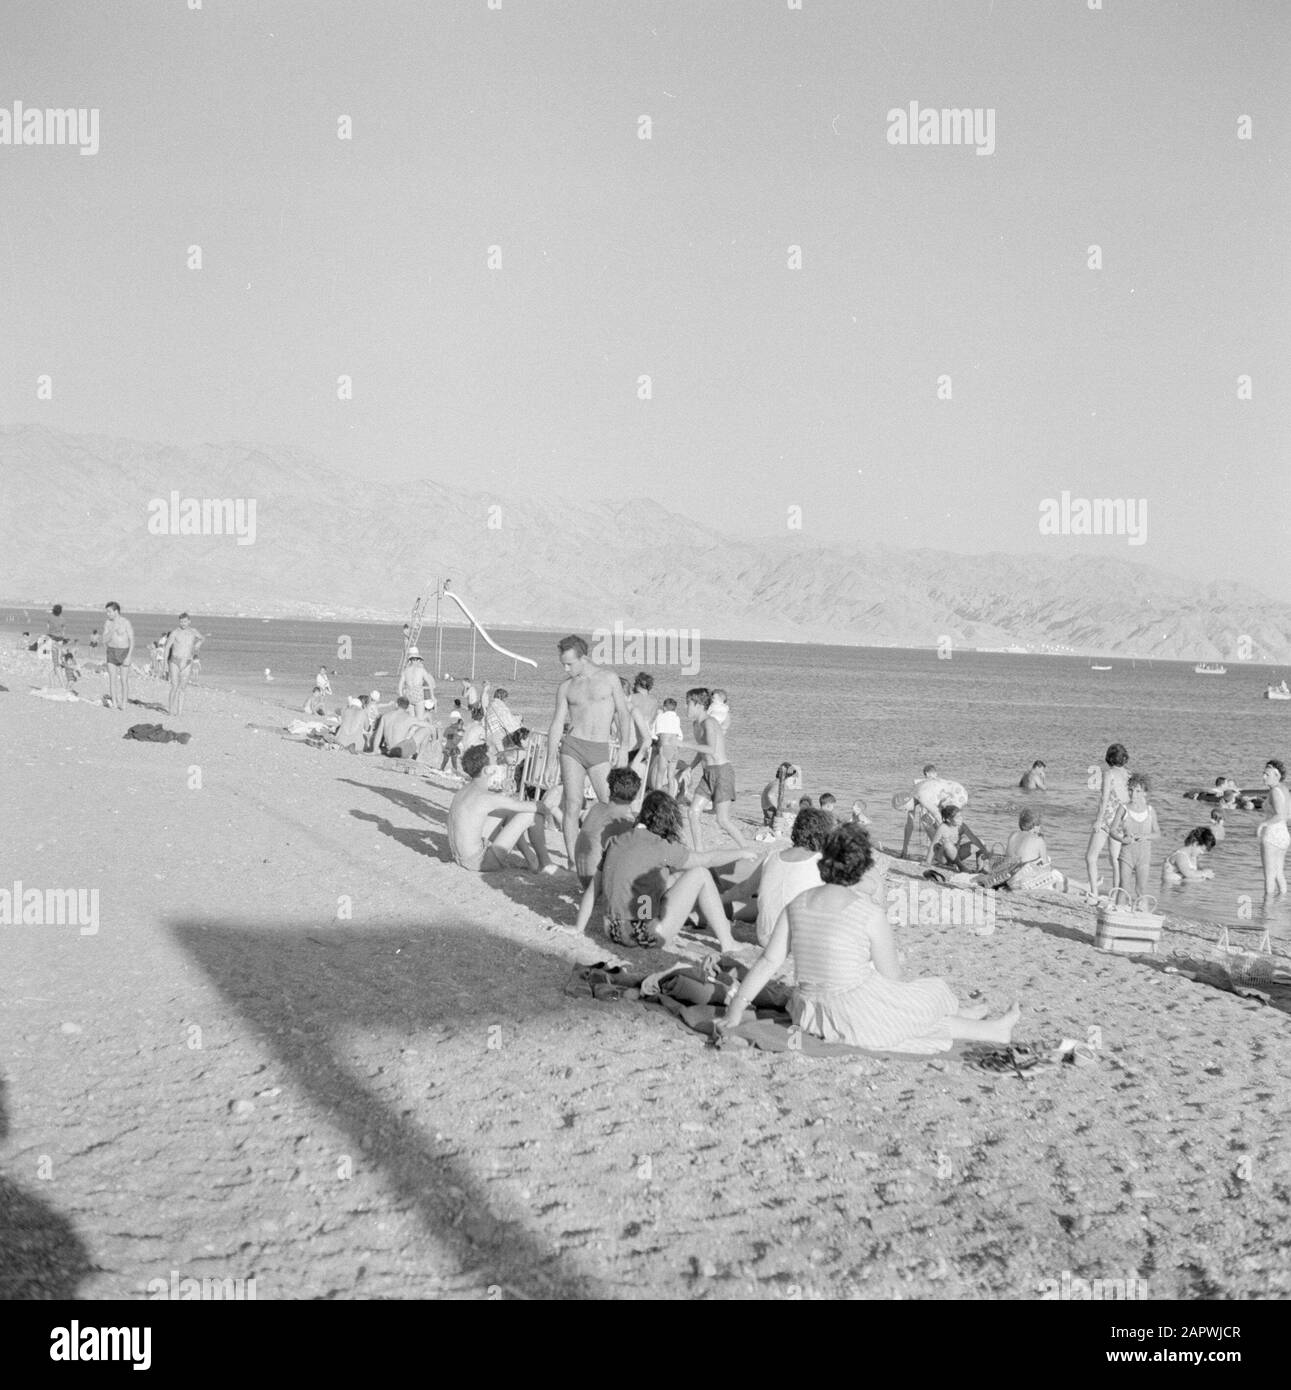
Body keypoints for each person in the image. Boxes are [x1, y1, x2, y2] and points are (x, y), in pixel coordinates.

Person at [718, 825, 1021, 1052]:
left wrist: (736, 1009)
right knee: (929, 993)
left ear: (823, 862)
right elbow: (893, 979)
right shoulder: (867, 912)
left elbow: (768, 962)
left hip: (810, 1012)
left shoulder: (797, 903)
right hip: (851, 1014)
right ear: (862, 868)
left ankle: (976, 1019)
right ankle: (991, 1030)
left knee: (909, 1006)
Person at [596, 790, 755, 951]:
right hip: (641, 937)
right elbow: (708, 860)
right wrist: (742, 852)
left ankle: (703, 913)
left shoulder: (619, 840)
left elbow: (594, 889)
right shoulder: (660, 846)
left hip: (611, 930)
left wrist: (578, 929)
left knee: (676, 876)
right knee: (701, 874)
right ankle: (728, 943)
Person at [548, 635, 632, 864]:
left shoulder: (609, 679)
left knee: (611, 804)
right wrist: (549, 761)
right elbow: (556, 723)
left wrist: (624, 749)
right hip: (572, 747)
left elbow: (623, 714)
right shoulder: (566, 687)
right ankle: (572, 860)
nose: (566, 668)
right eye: (563, 664)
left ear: (583, 657)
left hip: (599, 749)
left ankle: (616, 855)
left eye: (569, 664)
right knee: (572, 804)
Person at [448, 745, 557, 873]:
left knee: (506, 812)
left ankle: (531, 859)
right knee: (532, 815)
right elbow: (536, 807)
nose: (499, 765)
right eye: (495, 762)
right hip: (479, 862)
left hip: (460, 857)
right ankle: (546, 864)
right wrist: (552, 801)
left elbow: (494, 804)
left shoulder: (464, 791)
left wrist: (504, 793)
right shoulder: (486, 797)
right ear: (487, 770)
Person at [573, 768, 643, 929]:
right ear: (636, 795)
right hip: (598, 886)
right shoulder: (622, 823)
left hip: (584, 878)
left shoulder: (597, 808)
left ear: (610, 788)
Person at [680, 687, 749, 849]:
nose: (686, 707)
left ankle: (747, 850)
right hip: (707, 773)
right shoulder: (696, 724)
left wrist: (682, 744)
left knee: (722, 820)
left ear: (698, 705)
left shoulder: (709, 723)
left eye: (688, 703)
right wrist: (690, 767)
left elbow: (710, 749)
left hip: (722, 773)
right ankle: (699, 851)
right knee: (692, 812)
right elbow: (702, 751)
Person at [1084, 742, 1130, 897]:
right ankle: (1116, 894)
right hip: (1121, 820)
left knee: (1090, 857)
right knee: (1115, 860)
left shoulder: (1108, 774)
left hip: (1107, 819)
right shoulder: (1128, 775)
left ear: (1109, 758)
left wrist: (1098, 820)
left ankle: (1094, 893)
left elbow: (1104, 799)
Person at [1107, 773, 1160, 898]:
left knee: (1141, 889)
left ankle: (1143, 915)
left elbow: (1157, 834)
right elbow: (1112, 830)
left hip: (1144, 857)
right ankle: (1119, 913)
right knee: (1124, 887)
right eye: (1130, 790)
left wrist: (1145, 836)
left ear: (1145, 793)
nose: (1133, 794)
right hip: (1126, 855)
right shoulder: (1123, 808)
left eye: (1137, 791)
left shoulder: (1150, 811)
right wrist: (1122, 839)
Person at [1256, 759, 1290, 896]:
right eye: (1263, 773)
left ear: (1277, 775)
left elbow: (1280, 815)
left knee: (1269, 877)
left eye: (1267, 774)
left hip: (1272, 835)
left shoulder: (1275, 791)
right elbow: (1288, 815)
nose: (1263, 777)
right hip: (1284, 835)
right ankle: (1282, 905)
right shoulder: (1285, 789)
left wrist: (1263, 824)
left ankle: (1267, 912)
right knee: (1279, 874)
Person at [925, 803, 987, 873]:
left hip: (957, 854)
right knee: (947, 844)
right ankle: (962, 867)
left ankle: (980, 868)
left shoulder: (962, 826)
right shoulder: (943, 827)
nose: (961, 819)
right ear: (948, 820)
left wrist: (985, 851)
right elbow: (933, 845)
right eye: (957, 817)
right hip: (944, 857)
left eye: (961, 816)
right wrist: (928, 862)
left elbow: (974, 839)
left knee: (981, 842)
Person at [163, 614, 203, 717]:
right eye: (181, 622)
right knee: (174, 686)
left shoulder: (193, 631)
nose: (183, 624)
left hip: (187, 662)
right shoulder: (175, 632)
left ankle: (179, 712)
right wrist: (164, 663)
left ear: (189, 621)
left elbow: (202, 638)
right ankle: (171, 710)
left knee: (183, 688)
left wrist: (199, 643)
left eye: (185, 622)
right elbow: (167, 647)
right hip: (175, 661)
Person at [648, 697, 685, 794]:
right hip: (675, 749)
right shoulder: (677, 718)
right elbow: (680, 736)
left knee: (659, 775)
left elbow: (654, 735)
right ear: (675, 709)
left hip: (665, 748)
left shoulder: (661, 717)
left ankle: (657, 798)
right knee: (670, 776)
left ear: (664, 708)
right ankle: (672, 797)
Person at [102, 602, 135, 710]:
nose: (108, 614)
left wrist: (129, 656)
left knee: (124, 680)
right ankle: (114, 702)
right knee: (112, 679)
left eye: (109, 611)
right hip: (111, 651)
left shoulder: (125, 622)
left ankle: (124, 703)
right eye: (107, 612)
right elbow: (104, 640)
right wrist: (112, 629)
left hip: (124, 651)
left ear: (116, 611)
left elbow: (132, 639)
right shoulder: (107, 623)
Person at [628, 673, 658, 770]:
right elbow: (651, 723)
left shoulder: (632, 697)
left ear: (638, 683)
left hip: (631, 743)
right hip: (645, 745)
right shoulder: (654, 701)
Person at [759, 763, 801, 828]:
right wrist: (779, 809)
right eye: (792, 776)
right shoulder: (778, 783)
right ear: (787, 776)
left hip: (767, 811)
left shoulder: (775, 782)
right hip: (770, 811)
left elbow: (773, 796)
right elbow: (770, 795)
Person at [399, 649, 435, 718]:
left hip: (409, 696)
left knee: (411, 720)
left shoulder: (406, 671)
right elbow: (430, 683)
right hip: (418, 696)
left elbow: (400, 685)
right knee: (419, 720)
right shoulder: (421, 670)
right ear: (418, 660)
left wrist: (401, 696)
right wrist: (432, 695)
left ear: (410, 660)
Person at [46, 604, 69, 688]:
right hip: (60, 641)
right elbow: (64, 630)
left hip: (52, 640)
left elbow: (48, 627)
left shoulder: (50, 617)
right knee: (59, 661)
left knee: (56, 663)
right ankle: (52, 684)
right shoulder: (62, 619)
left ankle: (62, 685)